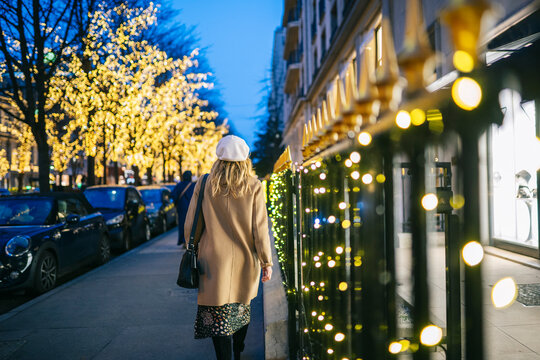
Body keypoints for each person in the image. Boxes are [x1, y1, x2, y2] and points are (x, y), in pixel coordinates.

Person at [183, 135, 273, 360]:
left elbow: (191, 223)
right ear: (245, 160)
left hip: (212, 260)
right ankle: (238, 350)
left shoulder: (205, 183)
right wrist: (266, 262)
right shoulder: (254, 185)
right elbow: (259, 228)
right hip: (245, 260)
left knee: (217, 314)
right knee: (241, 309)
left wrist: (191, 247)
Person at [171, 170, 195, 246]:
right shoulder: (194, 185)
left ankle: (184, 240)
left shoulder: (179, 185)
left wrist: (176, 204)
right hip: (192, 208)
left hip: (181, 208)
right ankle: (190, 241)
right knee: (191, 224)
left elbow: (173, 196)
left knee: (182, 224)